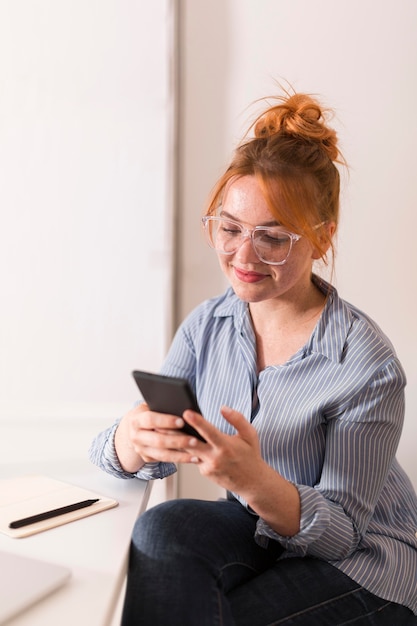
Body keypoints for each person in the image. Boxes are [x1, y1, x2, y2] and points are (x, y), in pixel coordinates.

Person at [89, 88, 417, 625]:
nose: (243, 256)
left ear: (322, 236)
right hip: (266, 531)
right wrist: (130, 441)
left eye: (272, 238)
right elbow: (149, 451)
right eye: (231, 228)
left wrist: (249, 480)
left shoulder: (366, 364)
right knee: (162, 529)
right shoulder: (209, 325)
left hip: (366, 564)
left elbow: (340, 535)